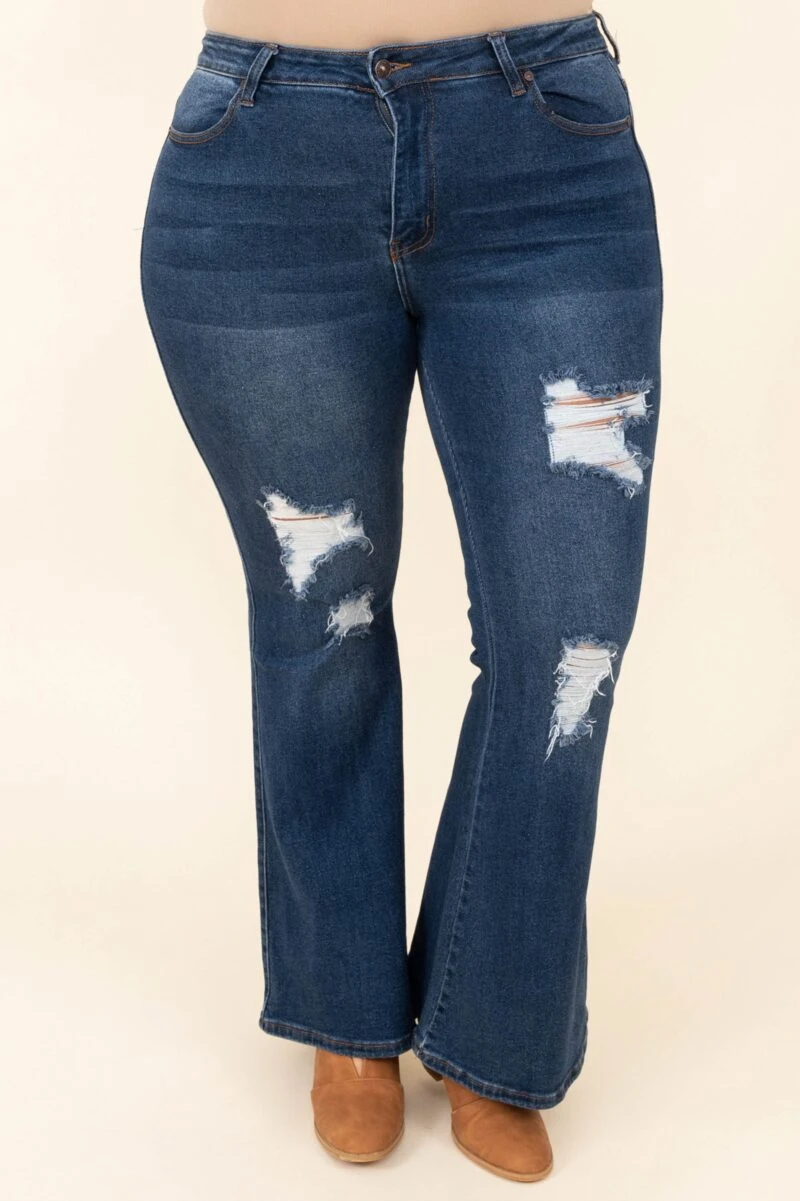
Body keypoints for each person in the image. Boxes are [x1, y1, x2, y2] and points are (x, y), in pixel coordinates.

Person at [139, 0, 662, 1181]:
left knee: (565, 640)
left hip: (544, 151)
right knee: (322, 616)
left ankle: (494, 1033)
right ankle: (347, 1019)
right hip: (262, 160)